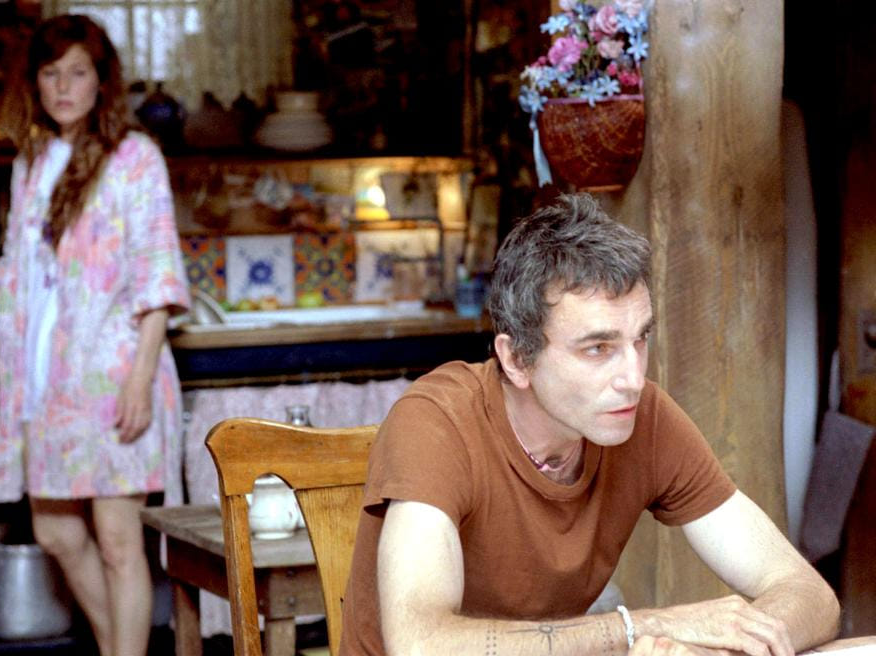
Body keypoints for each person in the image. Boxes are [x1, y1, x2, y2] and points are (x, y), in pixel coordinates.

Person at [340, 193, 840, 655]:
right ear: (517, 359)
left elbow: (808, 593)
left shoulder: (642, 417)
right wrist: (644, 627)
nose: (633, 378)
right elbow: (421, 645)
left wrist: (713, 648)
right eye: (598, 348)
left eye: (640, 339)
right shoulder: (438, 421)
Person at [0, 14, 190, 656]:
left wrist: (140, 378)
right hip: (47, 380)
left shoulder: (135, 158)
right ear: (36, 83)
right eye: (51, 74)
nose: (63, 88)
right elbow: (24, 263)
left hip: (114, 372)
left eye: (78, 73)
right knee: (55, 531)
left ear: (102, 81)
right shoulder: (32, 162)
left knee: (117, 541)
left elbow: (157, 272)